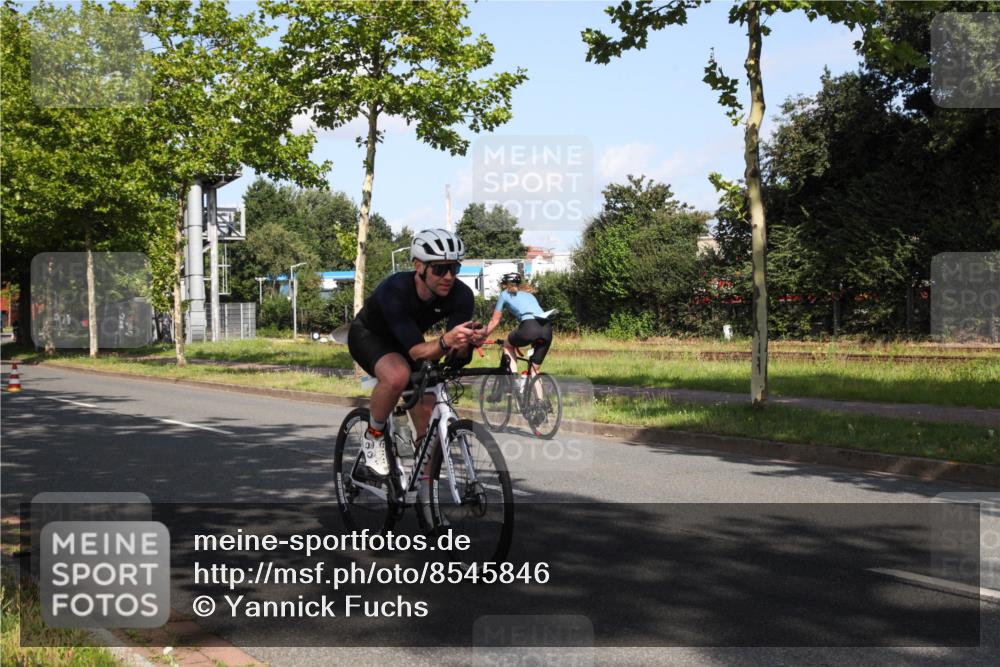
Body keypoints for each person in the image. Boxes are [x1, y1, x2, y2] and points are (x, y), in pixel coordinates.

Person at [347, 228, 482, 479]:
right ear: (418, 266)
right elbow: (419, 351)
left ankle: (426, 500)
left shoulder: (461, 295)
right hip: (370, 337)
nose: (449, 277)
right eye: (440, 269)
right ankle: (373, 436)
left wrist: (468, 343)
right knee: (398, 375)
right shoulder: (395, 289)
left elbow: (452, 352)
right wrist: (445, 341)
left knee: (428, 425)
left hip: (410, 342)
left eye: (454, 268)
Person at [480, 272, 553, 382]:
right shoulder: (530, 295)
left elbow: (494, 321)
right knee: (534, 371)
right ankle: (540, 399)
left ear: (505, 285)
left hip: (529, 327)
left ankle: (514, 379)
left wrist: (482, 338)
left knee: (507, 345)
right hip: (547, 328)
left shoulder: (504, 294)